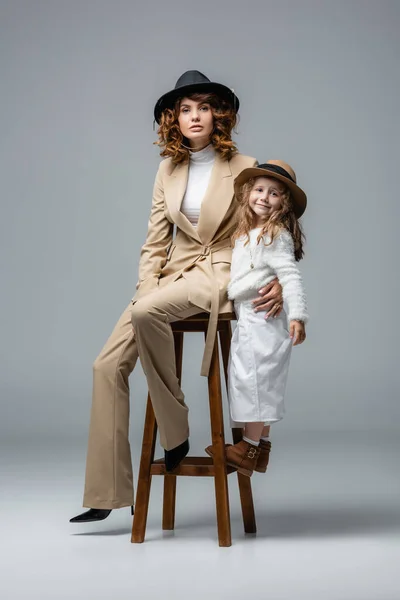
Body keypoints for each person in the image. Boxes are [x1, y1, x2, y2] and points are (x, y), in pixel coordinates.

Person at [70, 72, 284, 524]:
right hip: (170, 278)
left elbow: (272, 227)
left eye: (203, 107)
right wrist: (146, 284)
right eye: (185, 109)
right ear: (174, 118)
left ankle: (176, 430)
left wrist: (279, 277)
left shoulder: (246, 166)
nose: (194, 116)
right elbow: (154, 241)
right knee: (105, 366)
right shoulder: (168, 169)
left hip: (221, 273)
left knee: (148, 313)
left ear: (218, 115)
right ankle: (107, 493)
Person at [206, 160, 308, 476]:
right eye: (260, 190)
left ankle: (247, 447)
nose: (264, 197)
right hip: (250, 317)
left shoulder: (274, 234)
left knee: (255, 381)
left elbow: (289, 275)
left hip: (263, 319)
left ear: (284, 202)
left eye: (274, 193)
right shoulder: (248, 232)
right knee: (252, 379)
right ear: (249, 193)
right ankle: (260, 450)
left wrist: (298, 316)